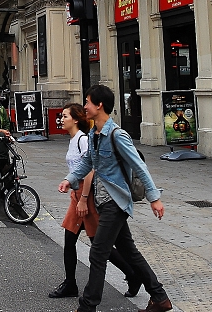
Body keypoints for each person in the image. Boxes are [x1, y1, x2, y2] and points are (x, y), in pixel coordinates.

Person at [57, 84, 172, 312]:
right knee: (130, 252)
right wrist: (70, 179)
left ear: (99, 105)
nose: (85, 106)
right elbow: (88, 162)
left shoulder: (117, 135)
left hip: (115, 203)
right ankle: (160, 298)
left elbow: (139, 167)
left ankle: (88, 311)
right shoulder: (94, 134)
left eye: (88, 102)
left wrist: (154, 197)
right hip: (103, 202)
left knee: (98, 253)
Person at [49, 103, 142, 300]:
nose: (61, 119)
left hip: (87, 196)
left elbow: (91, 169)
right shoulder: (73, 140)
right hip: (77, 195)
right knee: (70, 240)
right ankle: (70, 283)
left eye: (65, 116)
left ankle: (132, 274)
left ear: (75, 119)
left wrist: (83, 199)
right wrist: (68, 181)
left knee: (99, 245)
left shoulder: (83, 139)